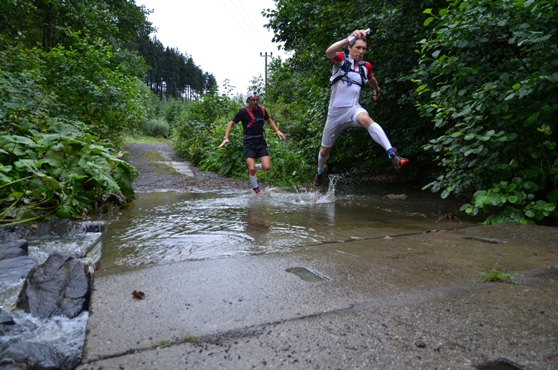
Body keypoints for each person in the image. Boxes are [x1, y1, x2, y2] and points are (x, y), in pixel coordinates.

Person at [314, 29, 409, 186]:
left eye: (363, 49)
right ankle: (319, 172)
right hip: (335, 114)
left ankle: (393, 155)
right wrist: (347, 39)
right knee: (324, 151)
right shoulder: (341, 60)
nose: (361, 51)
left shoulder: (366, 67)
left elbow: (371, 79)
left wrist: (377, 89)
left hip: (353, 109)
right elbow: (329, 52)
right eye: (358, 47)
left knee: (365, 118)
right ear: (350, 47)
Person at [218, 91, 286, 194]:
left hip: (260, 141)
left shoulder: (262, 110)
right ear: (248, 101)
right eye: (253, 100)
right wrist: (226, 137)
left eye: (257, 100)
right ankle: (256, 189)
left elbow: (269, 120)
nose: (255, 102)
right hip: (248, 142)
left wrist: (277, 131)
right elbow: (231, 123)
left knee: (267, 167)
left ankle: (251, 168)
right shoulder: (243, 112)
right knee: (252, 168)